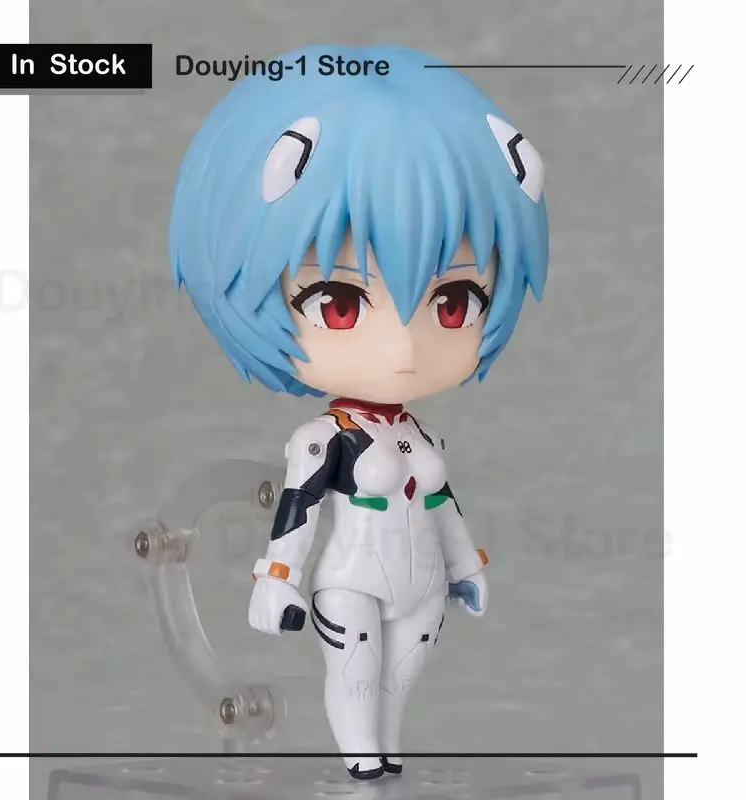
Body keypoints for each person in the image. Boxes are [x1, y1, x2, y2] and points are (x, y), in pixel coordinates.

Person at [169, 44, 549, 780]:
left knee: (400, 679)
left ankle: (386, 759)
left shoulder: (418, 434)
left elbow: (442, 502)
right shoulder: (326, 439)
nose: (404, 346)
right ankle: (363, 765)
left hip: (423, 582)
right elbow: (299, 507)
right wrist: (276, 577)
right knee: (357, 672)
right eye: (340, 305)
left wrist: (466, 565)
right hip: (351, 579)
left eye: (453, 302)